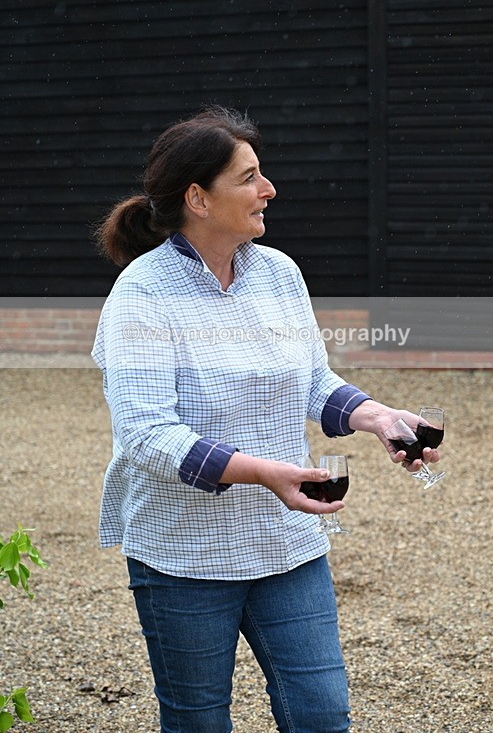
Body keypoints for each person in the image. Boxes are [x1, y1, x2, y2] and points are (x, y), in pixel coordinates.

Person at [91, 106, 440, 733]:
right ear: (198, 197)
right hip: (184, 554)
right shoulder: (141, 294)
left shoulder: (278, 273)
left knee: (322, 716)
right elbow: (145, 433)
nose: (268, 189)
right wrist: (261, 473)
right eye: (249, 177)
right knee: (198, 721)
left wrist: (378, 416)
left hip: (288, 544)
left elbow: (310, 382)